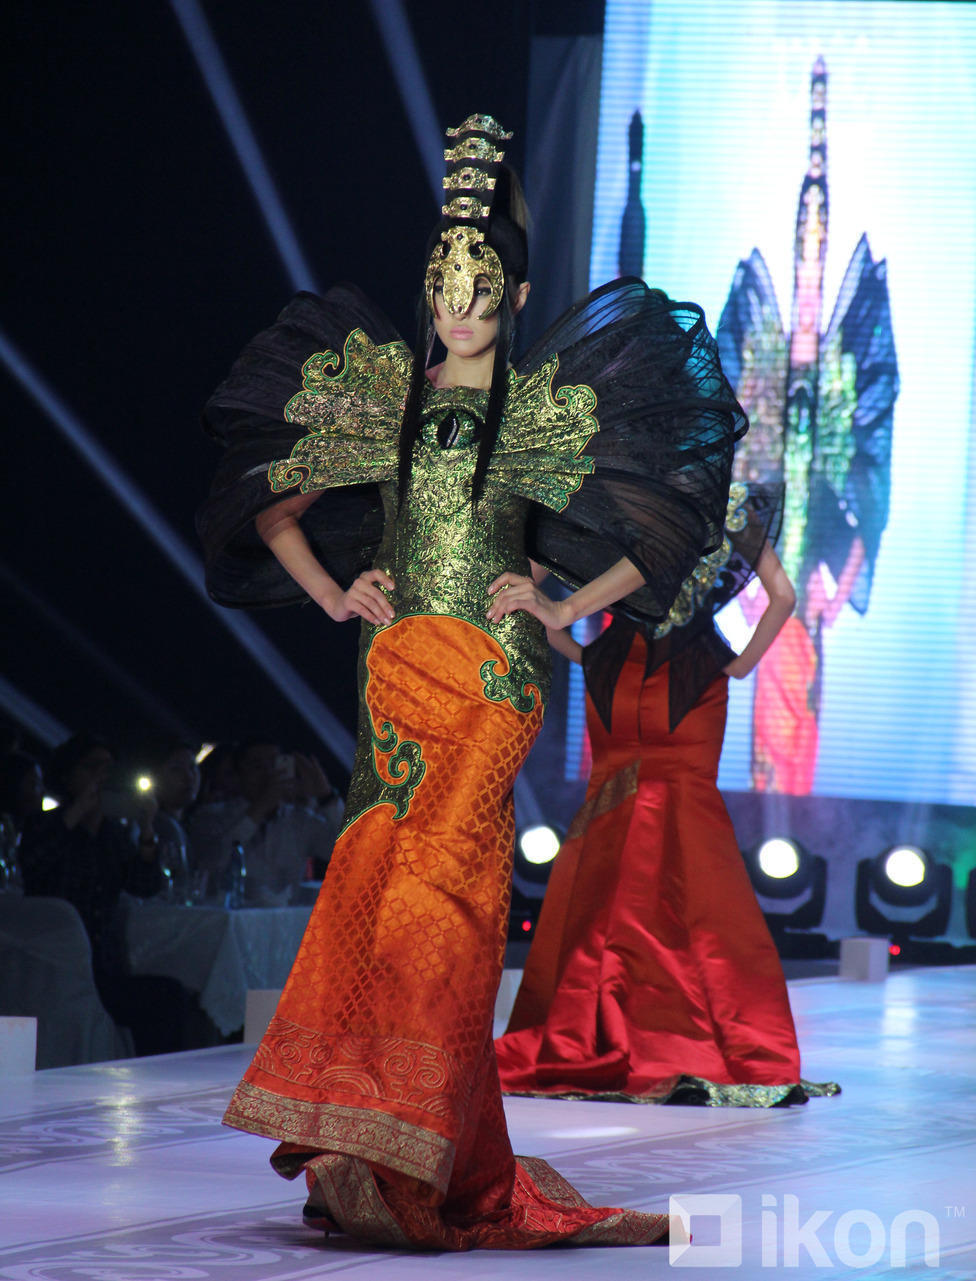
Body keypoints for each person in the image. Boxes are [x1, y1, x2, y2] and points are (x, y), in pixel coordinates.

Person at [197, 114, 747, 1249]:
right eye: (445, 285)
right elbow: (270, 506)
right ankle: (386, 1142)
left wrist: (561, 608)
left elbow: (671, 533)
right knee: (379, 891)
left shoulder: (541, 410)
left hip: (495, 678)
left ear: (517, 294)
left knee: (442, 902)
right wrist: (332, 592)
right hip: (394, 672)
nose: (459, 305)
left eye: (482, 288)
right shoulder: (389, 402)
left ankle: (408, 1144)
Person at [495, 487, 839, 1105]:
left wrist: (581, 652)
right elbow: (784, 597)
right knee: (686, 836)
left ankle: (589, 1031)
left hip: (617, 666)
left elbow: (533, 583)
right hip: (690, 671)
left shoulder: (622, 499)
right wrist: (738, 664)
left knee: (610, 828)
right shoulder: (729, 504)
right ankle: (680, 1027)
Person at [18, 732, 194, 1056]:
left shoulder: (113, 835)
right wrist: (78, 809)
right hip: (54, 969)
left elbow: (144, 885)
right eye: (92, 767)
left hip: (103, 968)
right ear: (68, 775)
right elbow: (35, 865)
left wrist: (146, 829)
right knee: (163, 998)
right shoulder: (43, 825)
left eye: (109, 769)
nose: (102, 776)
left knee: (173, 995)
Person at [189, 739, 342, 903]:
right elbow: (214, 861)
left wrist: (326, 797)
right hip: (228, 915)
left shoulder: (301, 820)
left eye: (274, 764)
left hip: (283, 917)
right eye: (257, 766)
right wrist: (262, 806)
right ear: (239, 774)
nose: (269, 773)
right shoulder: (212, 816)